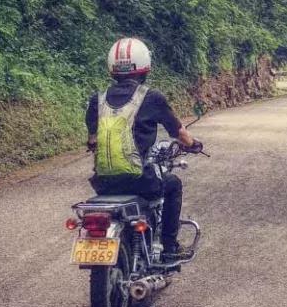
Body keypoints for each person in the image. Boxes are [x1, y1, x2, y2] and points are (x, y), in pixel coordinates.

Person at [85, 37, 201, 260]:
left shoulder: (96, 100)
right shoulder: (151, 97)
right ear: (144, 67)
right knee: (173, 184)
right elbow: (179, 133)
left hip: (104, 183)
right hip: (141, 179)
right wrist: (194, 145)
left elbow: (92, 140)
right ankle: (169, 247)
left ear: (112, 69)